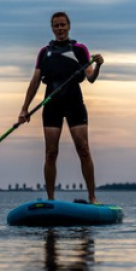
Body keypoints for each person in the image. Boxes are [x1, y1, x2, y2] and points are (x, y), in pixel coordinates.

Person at [19, 12, 105, 203]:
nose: (60, 29)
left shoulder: (79, 49)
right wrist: (24, 109)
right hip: (52, 105)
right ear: (52, 28)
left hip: (74, 103)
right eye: (56, 26)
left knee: (83, 149)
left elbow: (90, 77)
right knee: (51, 152)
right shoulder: (44, 52)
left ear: (69, 26)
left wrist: (98, 66)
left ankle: (92, 197)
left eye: (63, 25)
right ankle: (50, 199)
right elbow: (35, 82)